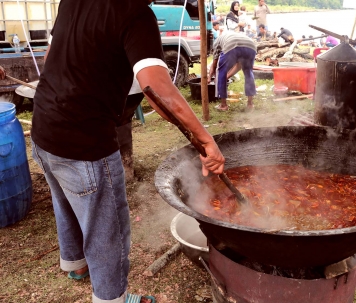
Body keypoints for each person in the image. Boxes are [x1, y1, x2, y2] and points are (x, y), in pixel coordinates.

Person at [31, 0, 225, 303]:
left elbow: (51, 55)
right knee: (108, 231)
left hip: (43, 127)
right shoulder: (135, 12)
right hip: (86, 142)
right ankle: (111, 299)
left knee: (66, 200)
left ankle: (76, 266)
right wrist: (205, 140)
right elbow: (156, 89)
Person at [209, 31, 256, 112]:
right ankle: (250, 104)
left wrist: (209, 77)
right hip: (251, 46)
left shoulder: (216, 42)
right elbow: (239, 65)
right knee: (248, 72)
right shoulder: (232, 35)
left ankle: (223, 105)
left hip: (232, 45)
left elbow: (214, 65)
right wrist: (227, 76)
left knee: (221, 71)